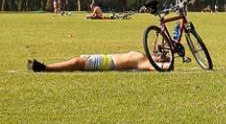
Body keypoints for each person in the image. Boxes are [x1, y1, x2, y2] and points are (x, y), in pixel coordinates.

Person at [28, 51, 157, 72]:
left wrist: (165, 63)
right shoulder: (144, 55)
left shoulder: (145, 62)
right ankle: (44, 67)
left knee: (76, 63)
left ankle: (45, 68)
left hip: (104, 63)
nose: (159, 55)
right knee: (77, 61)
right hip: (103, 58)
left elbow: (163, 67)